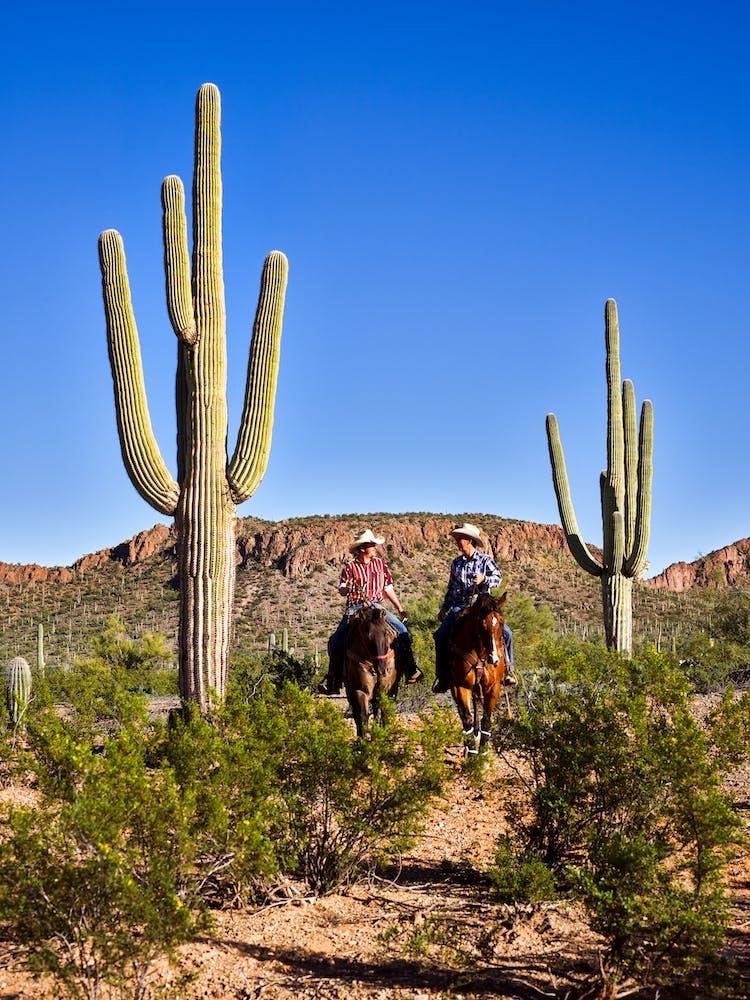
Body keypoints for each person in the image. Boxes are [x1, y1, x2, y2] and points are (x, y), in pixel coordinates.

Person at [318, 528, 423, 695]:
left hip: (377, 607)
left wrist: (400, 609)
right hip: (356, 607)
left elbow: (388, 589)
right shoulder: (350, 566)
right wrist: (349, 588)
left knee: (402, 630)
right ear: (362, 548)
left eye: (374, 544)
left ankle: (410, 668)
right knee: (337, 639)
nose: (375, 547)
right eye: (371, 544)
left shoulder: (381, 564)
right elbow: (342, 589)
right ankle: (334, 678)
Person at [432, 523, 516, 693]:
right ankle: (443, 676)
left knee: (506, 633)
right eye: (457, 538)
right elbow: (452, 589)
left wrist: (484, 579)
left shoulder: (485, 560)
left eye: (460, 538)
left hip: (483, 604)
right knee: (440, 635)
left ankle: (509, 670)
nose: (457, 541)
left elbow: (497, 578)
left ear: (469, 540)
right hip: (462, 603)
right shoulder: (456, 563)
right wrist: (444, 609)